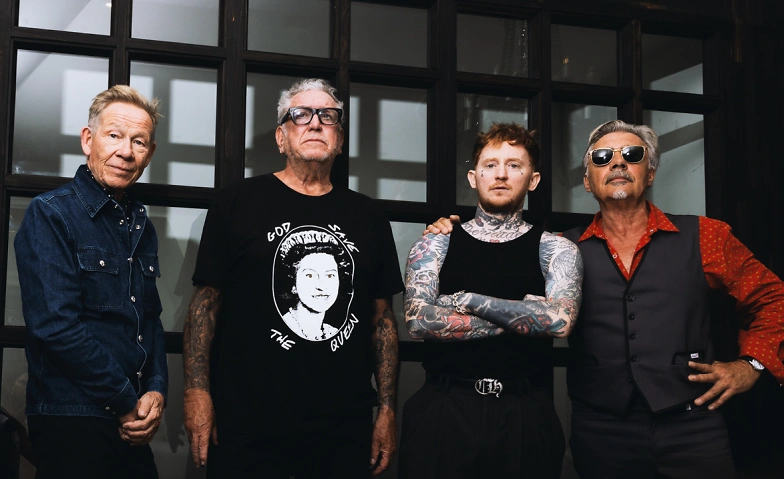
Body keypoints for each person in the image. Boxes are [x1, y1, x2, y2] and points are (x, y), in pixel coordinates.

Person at [427, 120, 784, 478]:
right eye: (602, 157)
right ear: (587, 181)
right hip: (601, 431)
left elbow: (774, 299)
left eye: (632, 154)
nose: (617, 163)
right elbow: (500, 281)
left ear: (650, 173)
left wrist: (751, 365)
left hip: (693, 427)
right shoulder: (559, 249)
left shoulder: (705, 235)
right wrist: (450, 237)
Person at [182, 78, 403, 478]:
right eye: (300, 114)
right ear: (281, 138)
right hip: (247, 425)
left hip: (343, 427)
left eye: (328, 116)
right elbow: (204, 306)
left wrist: (388, 410)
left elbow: (382, 321)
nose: (315, 123)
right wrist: (197, 392)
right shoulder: (236, 202)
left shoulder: (369, 216)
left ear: (339, 139)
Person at [399, 123, 583, 478]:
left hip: (525, 412)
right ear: (474, 177)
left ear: (533, 180)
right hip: (443, 409)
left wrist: (468, 300)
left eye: (514, 165)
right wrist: (527, 317)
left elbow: (559, 322)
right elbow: (419, 322)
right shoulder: (436, 242)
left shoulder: (556, 249)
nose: (501, 174)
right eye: (490, 165)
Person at [14, 85, 167, 478]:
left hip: (131, 420)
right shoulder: (50, 214)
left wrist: (156, 390)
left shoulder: (142, 226)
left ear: (149, 154)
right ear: (88, 140)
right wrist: (125, 399)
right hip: (71, 417)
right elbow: (55, 326)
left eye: (139, 142)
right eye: (114, 135)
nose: (126, 151)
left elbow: (149, 320)